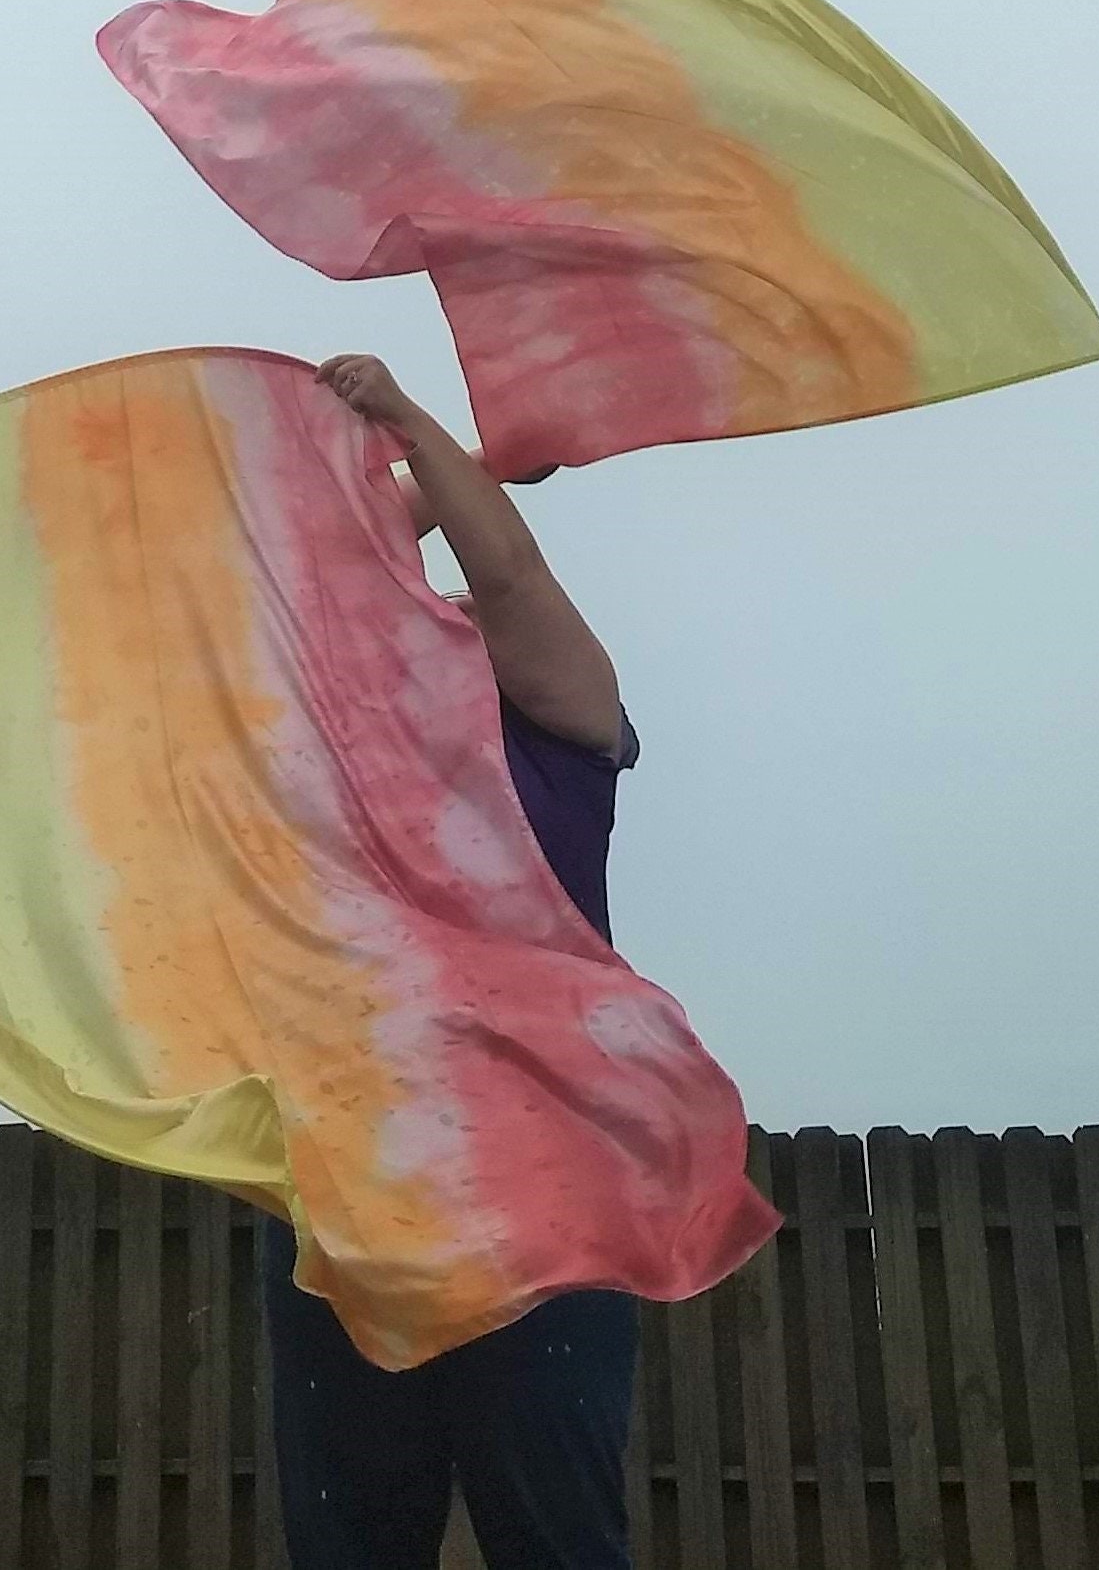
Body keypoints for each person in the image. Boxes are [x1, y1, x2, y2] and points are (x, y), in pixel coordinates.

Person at [258, 352, 643, 1570]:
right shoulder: (358, 777)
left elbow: (508, 573)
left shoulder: (569, 733)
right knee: (351, 1536)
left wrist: (410, 423)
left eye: (454, 621)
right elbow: (325, 583)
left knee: (555, 1533)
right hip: (356, 1184)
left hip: (548, 1190)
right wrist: (423, 477)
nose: (432, 619)